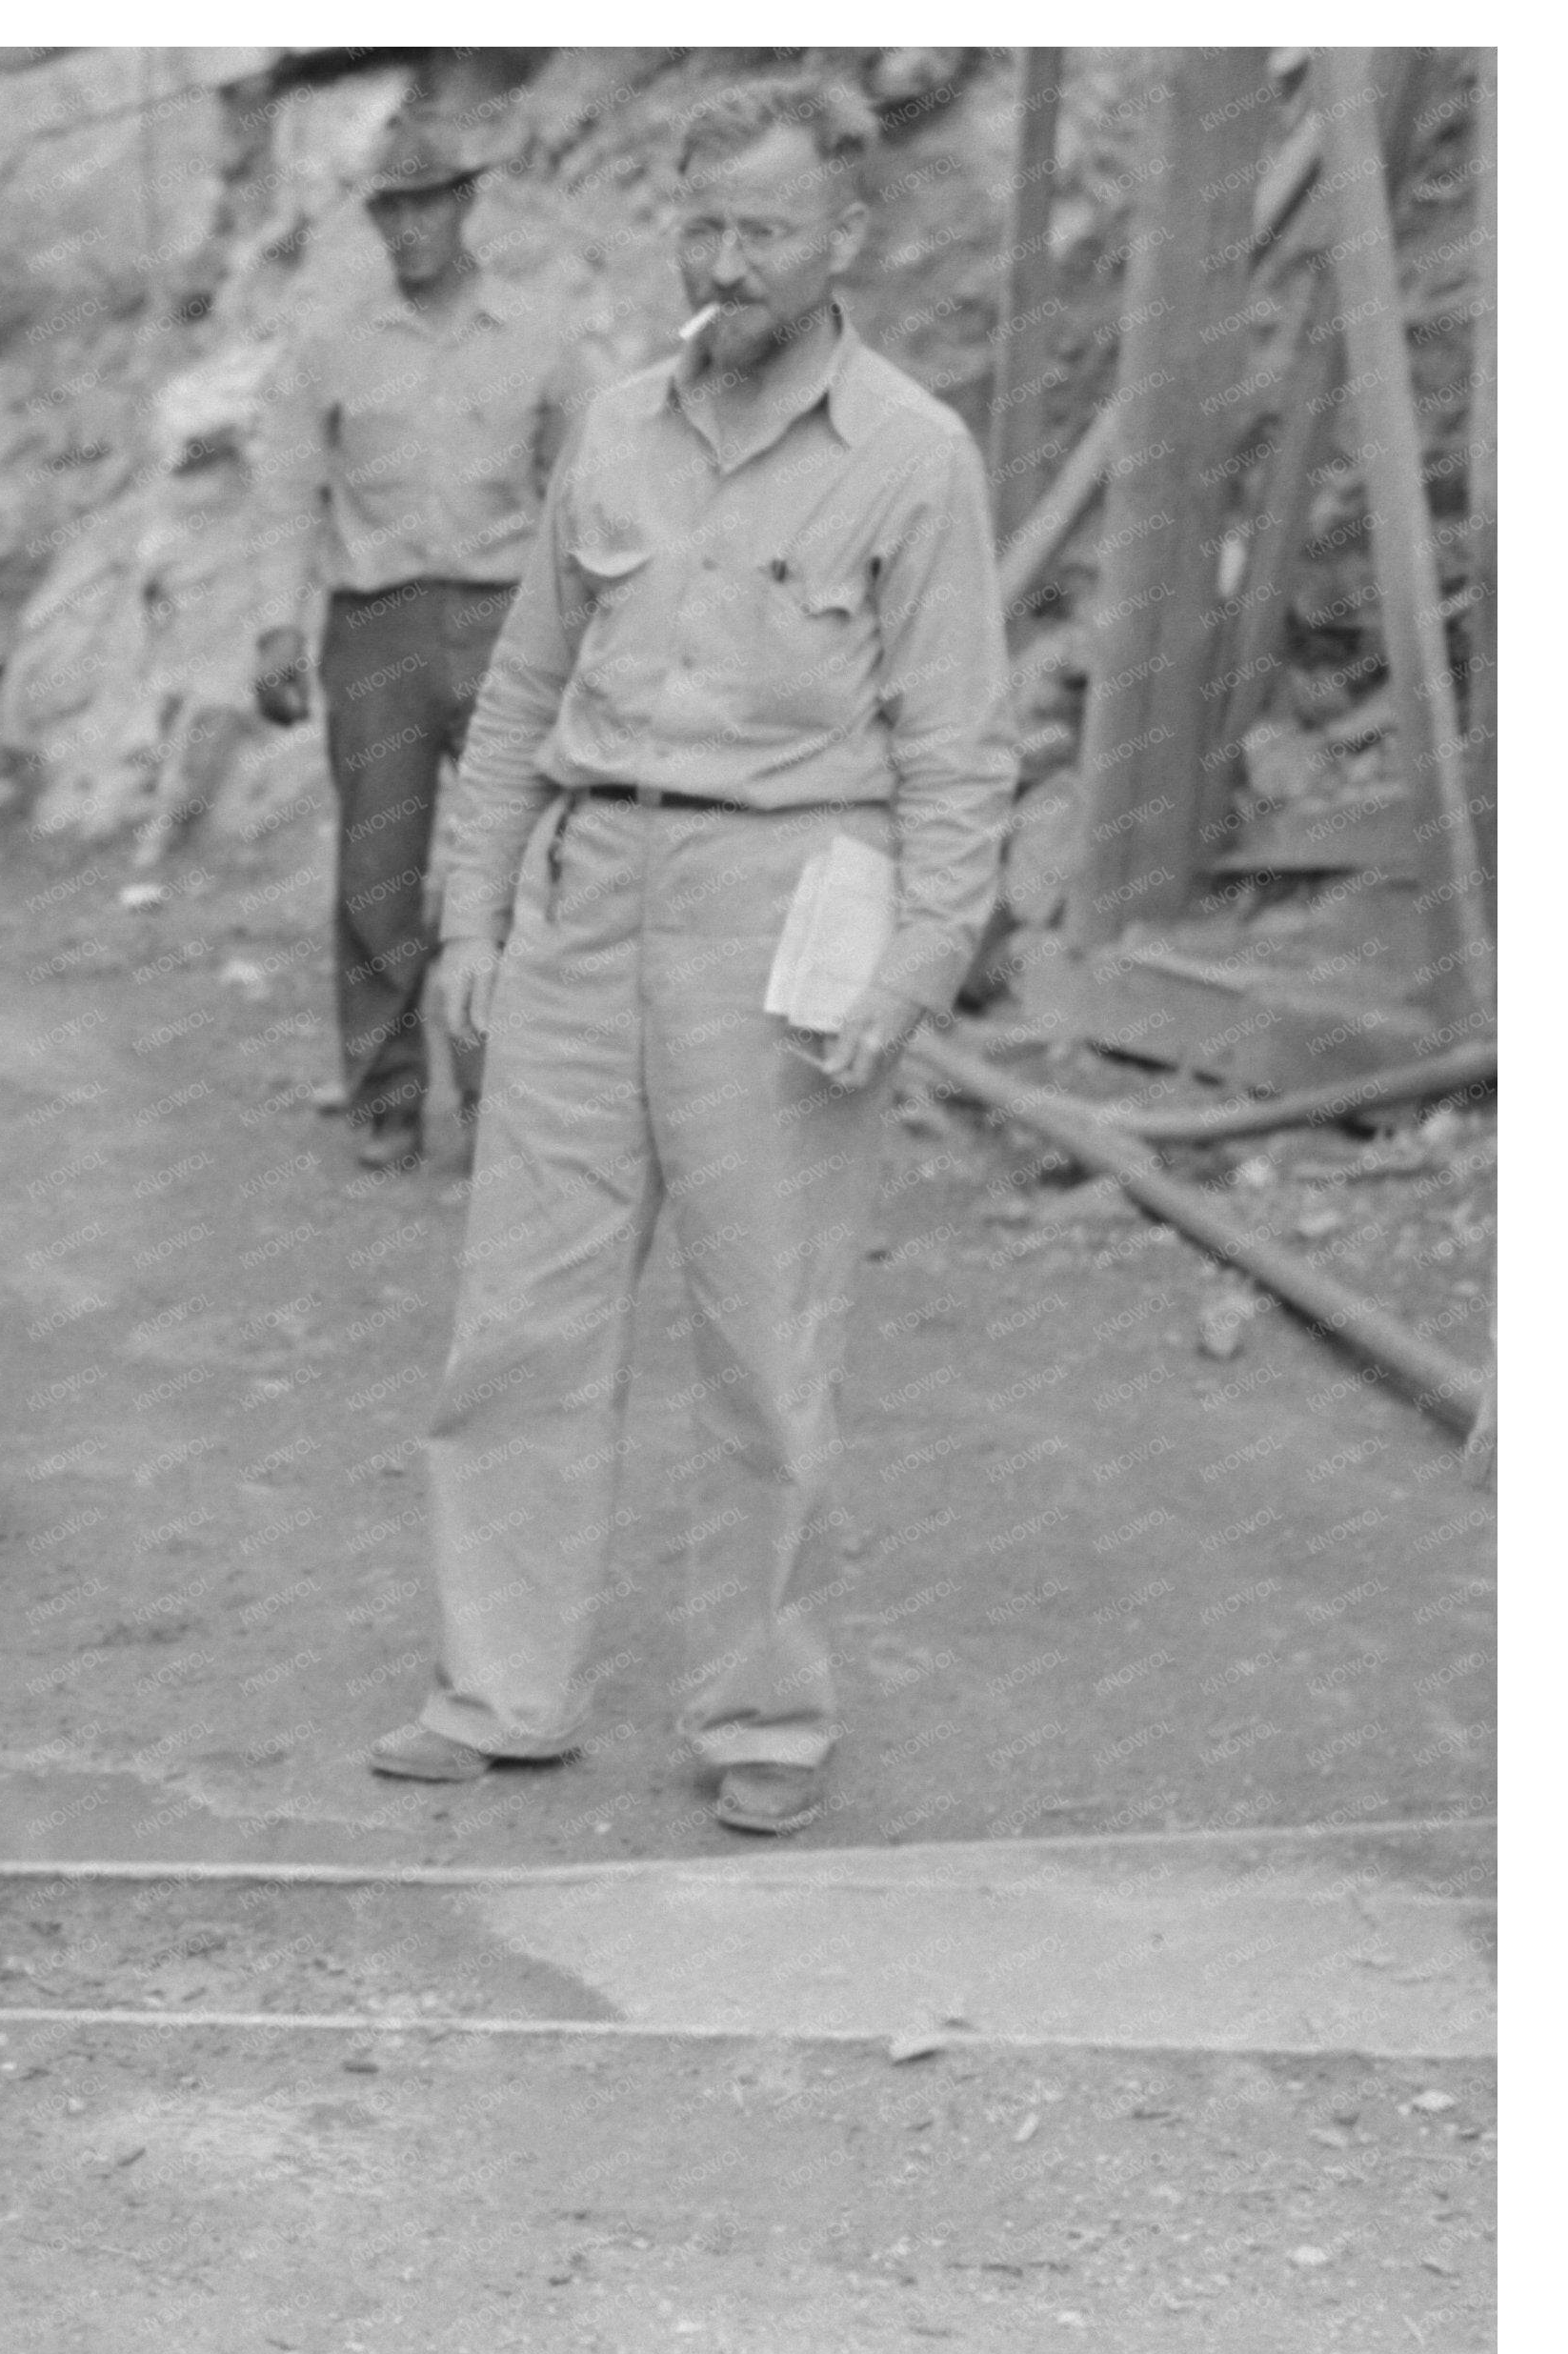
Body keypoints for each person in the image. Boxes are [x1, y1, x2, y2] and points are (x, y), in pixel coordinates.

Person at [365, 75, 1015, 1836]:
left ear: (845, 241)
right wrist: (469, 916)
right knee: (517, 1322)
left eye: (763, 232)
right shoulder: (615, 429)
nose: (723, 265)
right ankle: (500, 1689)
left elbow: (958, 748)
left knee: (760, 1339)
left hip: (781, 921)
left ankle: (762, 1719)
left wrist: (913, 968)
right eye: (702, 225)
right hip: (586, 897)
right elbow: (513, 698)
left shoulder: (911, 455)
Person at [252, 111, 596, 1173]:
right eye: (390, 210)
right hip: (378, 630)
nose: (410, 229)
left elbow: (583, 492)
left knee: (514, 867)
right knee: (379, 873)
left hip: (506, 624)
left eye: (427, 204)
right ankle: (386, 1094)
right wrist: (276, 623)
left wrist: (590, 636)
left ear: (464, 205)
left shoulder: (540, 334)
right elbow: (288, 490)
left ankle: (505, 1097)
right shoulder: (333, 344)